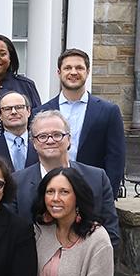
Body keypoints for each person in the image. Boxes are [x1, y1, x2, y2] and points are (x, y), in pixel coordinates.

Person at [14, 111, 121, 249]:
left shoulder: (97, 178)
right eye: (42, 136)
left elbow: (111, 233)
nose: (50, 140)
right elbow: (11, 236)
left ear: (69, 139)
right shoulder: (17, 182)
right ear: (33, 143)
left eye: (57, 135)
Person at [35, 48, 127, 192]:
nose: (73, 72)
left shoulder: (109, 111)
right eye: (67, 68)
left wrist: (108, 193)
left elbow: (116, 157)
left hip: (92, 190)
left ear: (88, 72)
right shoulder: (41, 112)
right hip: (49, 190)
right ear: (59, 72)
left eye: (79, 68)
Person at [0, 91, 39, 173]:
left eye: (19, 107)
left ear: (29, 111)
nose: (13, 112)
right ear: (0, 115)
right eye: (7, 109)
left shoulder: (41, 144)